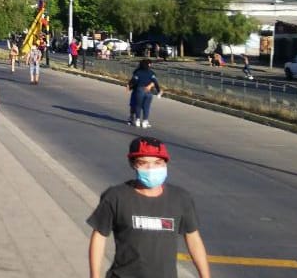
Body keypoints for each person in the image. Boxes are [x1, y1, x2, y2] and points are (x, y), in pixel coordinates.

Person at [87, 137, 211, 278]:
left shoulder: (180, 198)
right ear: (133, 164)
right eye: (144, 163)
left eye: (158, 163)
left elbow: (193, 238)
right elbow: (99, 236)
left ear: (165, 164)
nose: (151, 169)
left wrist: (205, 276)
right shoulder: (116, 196)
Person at [128, 59, 161, 128]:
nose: (150, 65)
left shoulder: (138, 72)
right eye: (150, 63)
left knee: (138, 106)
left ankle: (137, 120)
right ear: (148, 65)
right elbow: (155, 82)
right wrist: (158, 91)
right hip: (149, 92)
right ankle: (145, 121)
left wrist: (129, 86)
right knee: (146, 107)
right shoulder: (151, 73)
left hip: (139, 90)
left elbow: (134, 81)